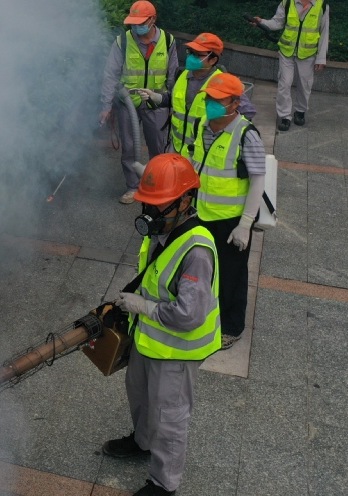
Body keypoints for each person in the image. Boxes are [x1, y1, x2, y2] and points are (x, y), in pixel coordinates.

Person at [102, 153, 220, 496]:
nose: (150, 214)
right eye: (147, 204)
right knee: (138, 393)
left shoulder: (197, 251)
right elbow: (154, 275)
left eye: (158, 205)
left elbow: (189, 315)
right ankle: (142, 443)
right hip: (149, 338)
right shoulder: (164, 231)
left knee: (169, 416)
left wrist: (143, 306)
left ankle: (164, 483)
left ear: (185, 202)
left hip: (178, 349)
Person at [189, 73, 265, 350]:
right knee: (203, 270)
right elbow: (195, 163)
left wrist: (245, 223)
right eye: (209, 97)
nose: (211, 103)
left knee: (232, 275)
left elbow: (258, 179)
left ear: (235, 103)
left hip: (231, 221)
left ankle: (232, 328)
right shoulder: (202, 126)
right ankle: (204, 315)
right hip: (202, 214)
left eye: (218, 100)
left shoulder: (247, 135)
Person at [98, 1, 180, 204]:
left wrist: (171, 105)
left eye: (140, 22)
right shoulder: (123, 42)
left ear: (153, 19)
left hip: (157, 104)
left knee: (158, 148)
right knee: (129, 147)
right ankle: (132, 187)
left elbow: (173, 76)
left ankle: (155, 186)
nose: (136, 27)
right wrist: (106, 106)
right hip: (128, 104)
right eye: (133, 23)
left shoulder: (168, 41)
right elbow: (110, 75)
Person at [130, 32, 255, 160]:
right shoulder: (182, 75)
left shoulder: (223, 82)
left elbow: (247, 114)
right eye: (191, 52)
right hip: (177, 148)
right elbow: (174, 99)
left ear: (213, 59)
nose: (191, 57)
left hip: (202, 153)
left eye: (198, 54)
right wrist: (157, 97)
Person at [250, 0, 329, 131]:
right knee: (284, 83)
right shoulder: (287, 2)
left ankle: (300, 111)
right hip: (287, 51)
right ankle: (284, 116)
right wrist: (261, 22)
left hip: (308, 54)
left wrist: (321, 58)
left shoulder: (322, 5)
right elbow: (277, 23)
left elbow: (324, 32)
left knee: (304, 84)